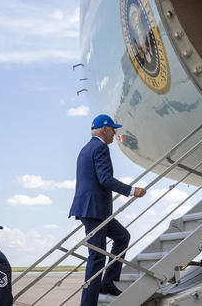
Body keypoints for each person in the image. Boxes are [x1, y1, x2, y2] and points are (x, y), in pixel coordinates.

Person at [68, 114, 147, 305]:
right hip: (94, 210)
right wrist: (131, 190)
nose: (114, 134)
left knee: (122, 237)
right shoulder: (101, 147)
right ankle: (88, 303)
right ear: (104, 129)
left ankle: (108, 282)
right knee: (96, 257)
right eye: (113, 129)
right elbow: (105, 179)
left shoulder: (86, 148)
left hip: (94, 210)